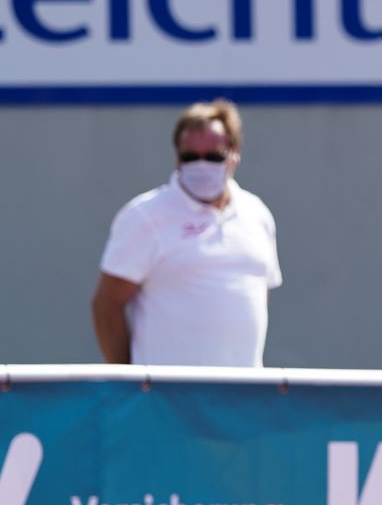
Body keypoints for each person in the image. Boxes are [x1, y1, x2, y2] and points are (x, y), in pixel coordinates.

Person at [90, 99, 283, 367]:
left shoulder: (257, 214)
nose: (201, 165)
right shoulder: (145, 216)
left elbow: (256, 293)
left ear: (234, 152)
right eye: (190, 157)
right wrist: (133, 383)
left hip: (244, 396)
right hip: (169, 398)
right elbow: (106, 306)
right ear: (177, 157)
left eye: (213, 156)